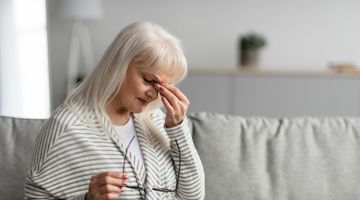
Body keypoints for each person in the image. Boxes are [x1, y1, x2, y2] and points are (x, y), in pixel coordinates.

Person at [24, 21, 205, 200]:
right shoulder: (66, 127)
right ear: (118, 65)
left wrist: (178, 129)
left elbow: (193, 196)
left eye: (162, 87)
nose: (154, 94)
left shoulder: (157, 122)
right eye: (149, 80)